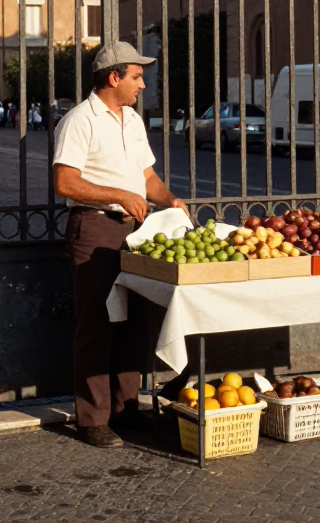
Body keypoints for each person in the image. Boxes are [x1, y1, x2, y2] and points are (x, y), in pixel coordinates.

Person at [53, 41, 186, 449]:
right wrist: (118, 195)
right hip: (95, 231)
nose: (143, 84)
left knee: (133, 324)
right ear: (114, 77)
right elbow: (65, 182)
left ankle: (126, 410)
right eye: (137, 76)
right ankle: (91, 419)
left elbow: (146, 176)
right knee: (96, 325)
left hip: (135, 234)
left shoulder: (131, 119)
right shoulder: (80, 120)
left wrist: (169, 199)